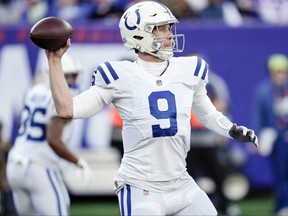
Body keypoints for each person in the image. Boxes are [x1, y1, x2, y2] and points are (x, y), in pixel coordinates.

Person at [45, 1, 258, 215]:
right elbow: (67, 109)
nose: (170, 34)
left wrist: (230, 129)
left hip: (181, 183)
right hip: (140, 187)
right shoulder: (119, 75)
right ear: (139, 35)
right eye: (162, 28)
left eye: (169, 28)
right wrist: (54, 60)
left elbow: (207, 113)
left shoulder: (188, 69)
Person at [6, 52, 90, 216]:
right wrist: (77, 161)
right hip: (40, 167)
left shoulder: (34, 90)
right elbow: (53, 139)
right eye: (67, 76)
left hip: (15, 164)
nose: (72, 81)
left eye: (74, 75)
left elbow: (21, 125)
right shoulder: (60, 98)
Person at [252, 53, 288, 216]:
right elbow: (259, 117)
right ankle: (282, 205)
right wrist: (256, 140)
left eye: (282, 71)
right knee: (280, 173)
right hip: (276, 139)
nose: (279, 75)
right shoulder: (264, 91)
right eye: (276, 72)